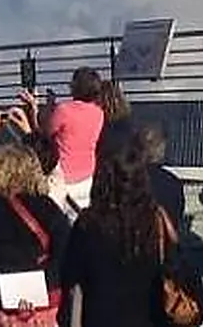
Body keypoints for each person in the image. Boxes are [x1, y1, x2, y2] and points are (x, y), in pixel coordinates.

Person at [61, 139, 167, 327]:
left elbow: (70, 277)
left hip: (98, 317)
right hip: (148, 317)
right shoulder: (154, 221)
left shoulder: (88, 224)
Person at [0, 143, 71, 327]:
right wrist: (38, 289)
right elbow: (63, 256)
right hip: (42, 303)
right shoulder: (48, 207)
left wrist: (5, 293)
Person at [47, 67, 106, 210]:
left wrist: (48, 108)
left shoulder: (63, 109)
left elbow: (46, 134)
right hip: (87, 176)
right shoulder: (99, 113)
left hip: (62, 176)